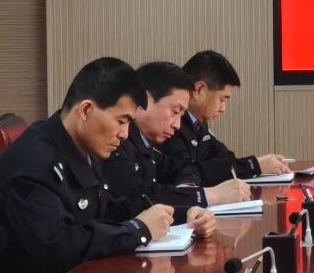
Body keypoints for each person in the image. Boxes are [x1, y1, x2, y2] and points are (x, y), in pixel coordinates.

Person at [0, 58, 212, 273]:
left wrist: (181, 215)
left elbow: (108, 207)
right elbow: (56, 248)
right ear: (86, 110)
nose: (124, 134)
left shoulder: (78, 148)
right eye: (121, 121)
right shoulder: (35, 162)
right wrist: (137, 230)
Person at [104, 61, 248, 215]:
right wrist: (208, 195)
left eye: (181, 115)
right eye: (175, 111)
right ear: (143, 99)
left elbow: (182, 169)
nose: (178, 125)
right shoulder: (116, 141)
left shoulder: (145, 142)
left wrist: (188, 190)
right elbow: (136, 196)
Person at [161, 49, 291, 185]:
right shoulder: (170, 124)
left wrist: (254, 165)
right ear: (199, 90)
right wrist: (254, 165)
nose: (223, 108)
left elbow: (226, 159)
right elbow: (188, 172)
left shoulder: (198, 122)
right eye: (222, 99)